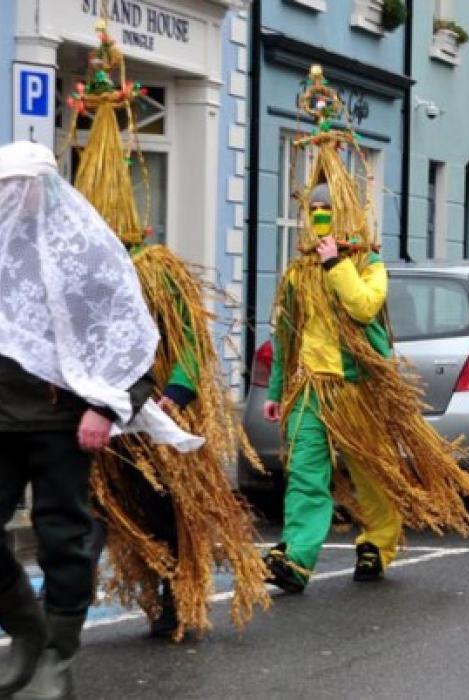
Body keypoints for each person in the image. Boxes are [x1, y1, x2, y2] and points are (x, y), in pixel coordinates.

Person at [261, 65, 469, 593]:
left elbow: (365, 307)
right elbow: (286, 333)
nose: (319, 217)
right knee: (305, 476)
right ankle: (297, 561)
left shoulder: (366, 264)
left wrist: (336, 264)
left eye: (328, 210)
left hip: (356, 387)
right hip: (309, 389)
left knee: (367, 469)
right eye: (314, 209)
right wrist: (278, 389)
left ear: (343, 214)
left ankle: (378, 539)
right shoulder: (298, 270)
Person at [67, 24, 270, 641]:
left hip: (152, 411)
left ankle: (178, 591)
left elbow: (188, 347)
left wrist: (175, 396)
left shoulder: (155, 272)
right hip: (98, 417)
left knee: (164, 507)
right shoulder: (76, 277)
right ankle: (144, 587)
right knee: (113, 509)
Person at [0, 140, 200, 698]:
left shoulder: (84, 254)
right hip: (2, 420)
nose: (10, 198)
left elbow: (132, 342)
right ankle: (27, 632)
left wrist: (106, 407)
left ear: (42, 189)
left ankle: (56, 659)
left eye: (17, 188)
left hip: (63, 423)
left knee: (64, 537)